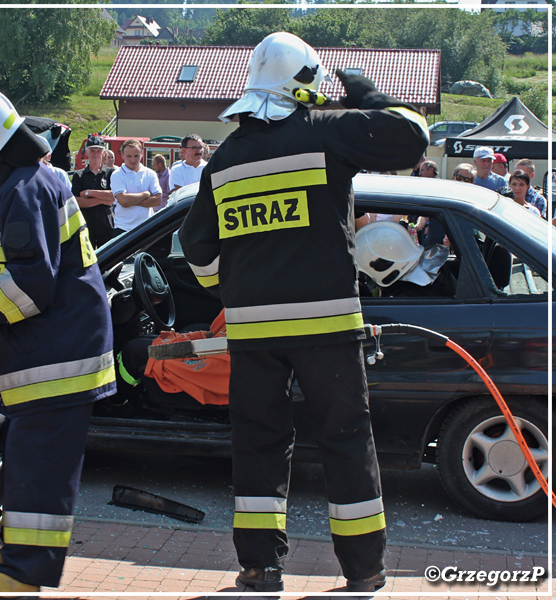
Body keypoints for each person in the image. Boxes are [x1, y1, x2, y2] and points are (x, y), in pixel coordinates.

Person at [178, 32, 429, 595]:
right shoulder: (324, 134)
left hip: (254, 334)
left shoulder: (225, 157)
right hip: (326, 328)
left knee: (259, 443)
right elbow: (412, 138)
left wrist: (233, 290)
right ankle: (364, 570)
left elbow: (196, 247)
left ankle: (260, 569)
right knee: (345, 439)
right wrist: (362, 89)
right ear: (306, 83)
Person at [0, 85, 115, 595]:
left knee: (41, 464)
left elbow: (30, 287)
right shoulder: (21, 183)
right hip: (50, 350)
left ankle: (24, 574)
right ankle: (17, 554)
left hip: (58, 355)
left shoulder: (24, 188)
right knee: (29, 457)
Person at [118, 310, 230, 408]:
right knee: (145, 343)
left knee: (132, 351)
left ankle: (120, 403)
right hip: (228, 350)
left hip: (225, 368)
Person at [71, 134, 115, 248]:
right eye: (92, 151)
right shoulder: (79, 175)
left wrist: (89, 193)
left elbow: (113, 198)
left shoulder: (111, 173)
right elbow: (76, 201)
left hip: (106, 224)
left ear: (103, 153)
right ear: (87, 153)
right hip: (86, 223)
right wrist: (102, 200)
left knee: (107, 258)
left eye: (98, 151)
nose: (95, 154)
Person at [109, 139, 162, 235]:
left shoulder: (150, 173)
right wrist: (146, 194)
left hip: (146, 228)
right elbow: (124, 201)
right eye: (129, 156)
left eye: (136, 156)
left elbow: (157, 201)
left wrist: (131, 200)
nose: (132, 159)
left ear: (141, 154)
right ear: (122, 155)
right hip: (123, 228)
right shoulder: (117, 174)